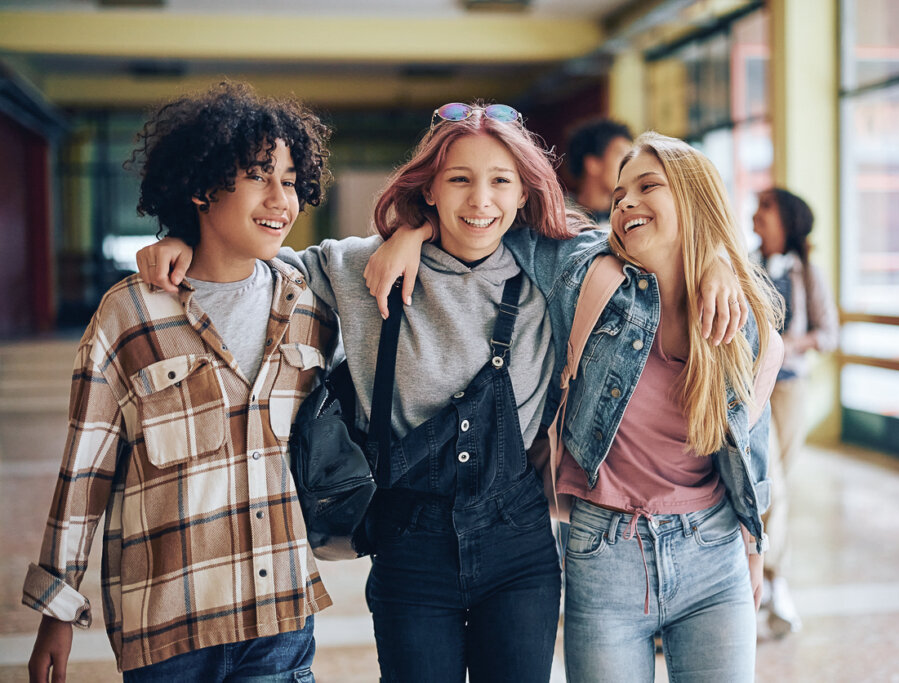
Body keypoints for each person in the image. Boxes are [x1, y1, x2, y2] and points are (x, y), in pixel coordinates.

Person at [140, 104, 746, 682]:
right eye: (459, 179)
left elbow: (649, 253)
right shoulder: (360, 267)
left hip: (518, 546)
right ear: (429, 188)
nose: (481, 200)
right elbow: (254, 267)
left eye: (500, 181)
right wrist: (183, 243)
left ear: (523, 194)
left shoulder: (554, 272)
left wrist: (718, 256)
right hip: (409, 548)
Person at [366, 132, 785, 682]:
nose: (626, 202)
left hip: (713, 550)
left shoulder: (740, 315)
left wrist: (754, 545)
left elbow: (748, 439)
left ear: (695, 199)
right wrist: (411, 231)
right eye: (619, 194)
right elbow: (492, 218)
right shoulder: (585, 271)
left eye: (647, 186)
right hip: (603, 551)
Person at [24, 82, 337, 681]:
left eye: (291, 180)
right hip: (170, 625)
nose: (282, 199)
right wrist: (57, 611)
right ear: (200, 187)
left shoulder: (310, 306)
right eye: (258, 175)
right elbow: (85, 471)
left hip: (279, 618)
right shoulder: (131, 313)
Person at [752, 187, 839, 636]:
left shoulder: (807, 274)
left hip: (790, 390)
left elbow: (829, 333)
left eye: (766, 207)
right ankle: (772, 579)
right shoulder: (741, 265)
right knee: (774, 487)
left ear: (788, 220)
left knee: (777, 480)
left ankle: (767, 579)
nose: (755, 213)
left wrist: (788, 346)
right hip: (752, 391)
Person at [565, 118, 633, 226]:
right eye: (621, 155)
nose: (629, 164)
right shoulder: (559, 216)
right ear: (593, 164)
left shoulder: (629, 215)